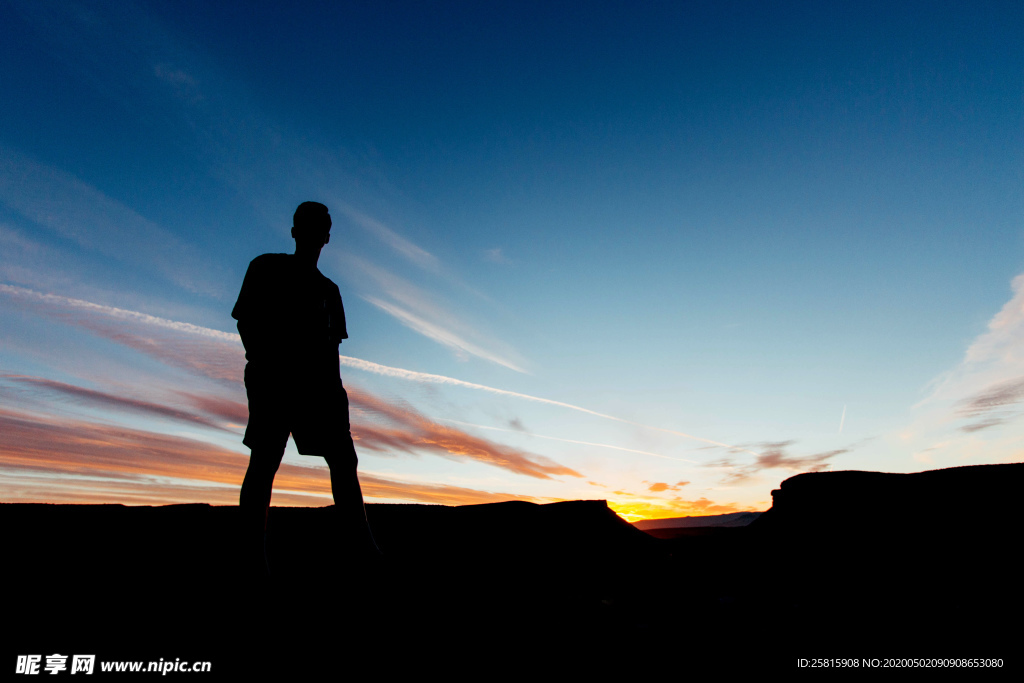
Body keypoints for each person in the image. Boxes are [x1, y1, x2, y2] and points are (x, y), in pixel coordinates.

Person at [233, 201, 378, 577]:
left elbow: (332, 351)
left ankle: (364, 552)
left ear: (327, 237)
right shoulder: (265, 268)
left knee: (344, 464)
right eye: (307, 226)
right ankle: (252, 560)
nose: (314, 234)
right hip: (274, 384)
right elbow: (246, 321)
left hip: (320, 391)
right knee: (264, 461)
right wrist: (266, 365)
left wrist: (337, 398)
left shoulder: (329, 291)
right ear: (295, 230)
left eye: (321, 228)